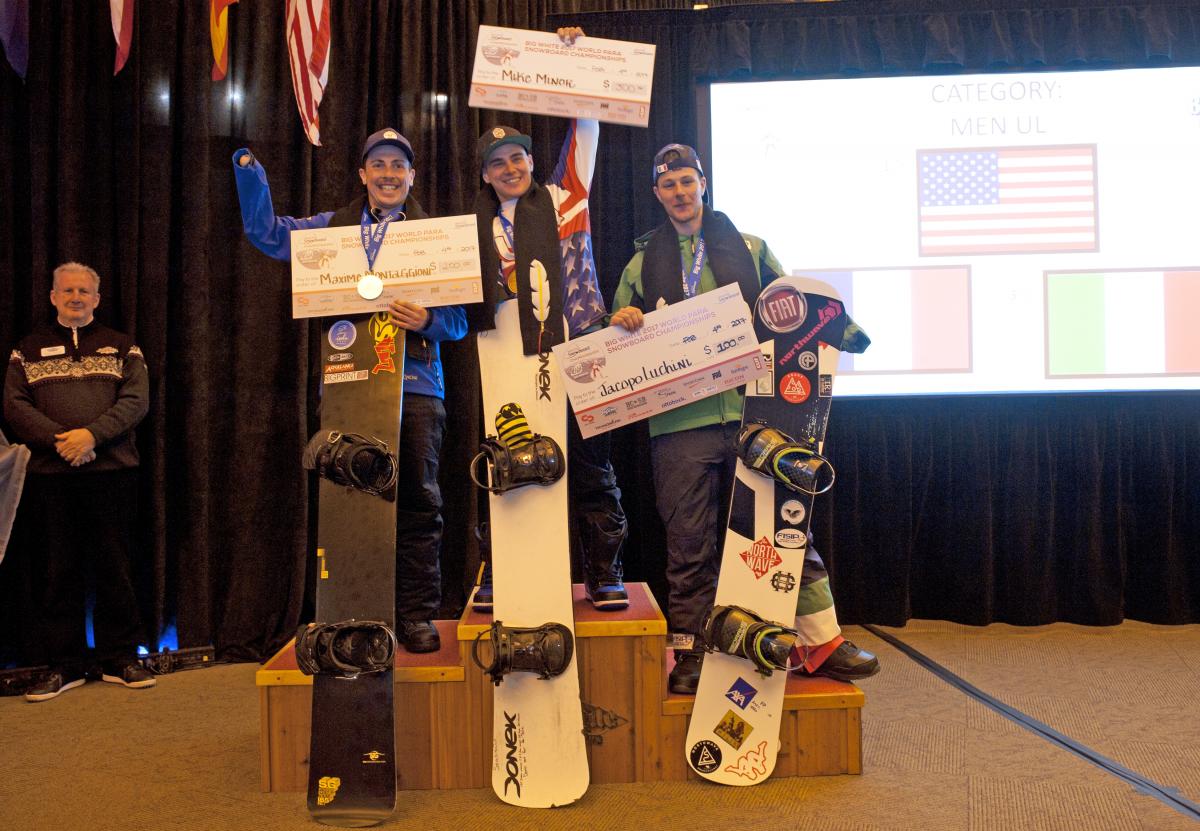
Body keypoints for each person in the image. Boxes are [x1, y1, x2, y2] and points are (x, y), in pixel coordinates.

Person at [609, 144, 880, 693]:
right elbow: (610, 338)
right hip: (679, 423)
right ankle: (691, 648)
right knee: (689, 541)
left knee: (787, 522)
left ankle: (820, 641)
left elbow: (796, 304)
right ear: (657, 194)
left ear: (703, 183)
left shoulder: (751, 248)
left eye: (688, 181)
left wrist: (844, 329)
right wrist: (622, 320)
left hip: (756, 412)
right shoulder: (640, 263)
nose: (680, 193)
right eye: (669, 185)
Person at [232, 129, 467, 653]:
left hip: (417, 389)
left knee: (418, 505)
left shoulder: (437, 237)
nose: (388, 174)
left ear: (412, 176)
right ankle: (354, 614)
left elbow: (457, 325)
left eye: (398, 166)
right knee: (348, 503)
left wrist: (428, 318)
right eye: (378, 164)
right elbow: (266, 234)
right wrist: (250, 173)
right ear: (362, 174)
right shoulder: (331, 230)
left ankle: (415, 616)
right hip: (347, 386)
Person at [467, 27, 629, 611]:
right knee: (505, 459)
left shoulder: (567, 198)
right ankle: (496, 570)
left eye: (518, 158)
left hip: (580, 347)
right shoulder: (476, 231)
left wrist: (576, 56)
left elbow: (586, 125)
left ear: (533, 162)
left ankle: (604, 574)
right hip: (511, 357)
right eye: (497, 163)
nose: (509, 168)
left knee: (591, 467)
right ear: (485, 175)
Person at [4, 262, 154, 701]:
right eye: (67, 290)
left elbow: (136, 401)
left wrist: (92, 436)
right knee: (57, 572)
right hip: (51, 477)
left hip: (112, 475)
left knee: (117, 569)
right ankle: (64, 665)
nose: (75, 297)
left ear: (97, 298)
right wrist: (62, 442)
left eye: (84, 291)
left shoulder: (122, 346)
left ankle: (120, 658)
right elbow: (14, 407)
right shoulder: (25, 350)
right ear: (52, 296)